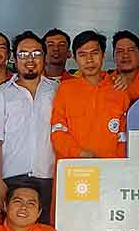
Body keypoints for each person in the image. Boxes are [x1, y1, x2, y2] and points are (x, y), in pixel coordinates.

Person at [0, 32, 58, 225]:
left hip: (49, 177)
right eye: (23, 54)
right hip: (12, 177)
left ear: (44, 57)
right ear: (14, 58)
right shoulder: (1, 94)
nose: (30, 60)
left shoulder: (57, 91)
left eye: (36, 54)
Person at [50, 30, 130, 159]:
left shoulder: (119, 89)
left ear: (103, 55)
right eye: (82, 55)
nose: (89, 60)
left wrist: (118, 168)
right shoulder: (65, 89)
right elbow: (57, 131)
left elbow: (122, 139)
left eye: (95, 53)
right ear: (75, 58)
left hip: (109, 170)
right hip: (73, 170)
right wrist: (80, 154)